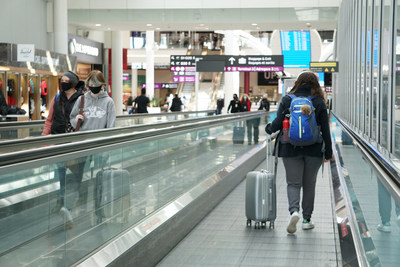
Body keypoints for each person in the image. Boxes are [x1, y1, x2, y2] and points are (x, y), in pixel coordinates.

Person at [265, 71, 332, 234]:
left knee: (293, 183)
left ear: (298, 83)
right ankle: (306, 220)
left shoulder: (288, 100)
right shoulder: (319, 101)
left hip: (290, 148)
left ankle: (294, 211)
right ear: (315, 85)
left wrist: (269, 128)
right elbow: (325, 129)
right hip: (314, 150)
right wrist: (328, 152)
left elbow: (277, 123)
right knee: (309, 185)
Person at [41, 71, 84, 229]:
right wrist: (45, 138)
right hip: (58, 141)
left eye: (66, 81)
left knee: (76, 174)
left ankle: (71, 202)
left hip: (74, 142)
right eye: (62, 80)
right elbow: (49, 119)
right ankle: (61, 202)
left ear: (72, 83)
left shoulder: (82, 99)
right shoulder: (57, 98)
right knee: (60, 173)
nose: (63, 83)